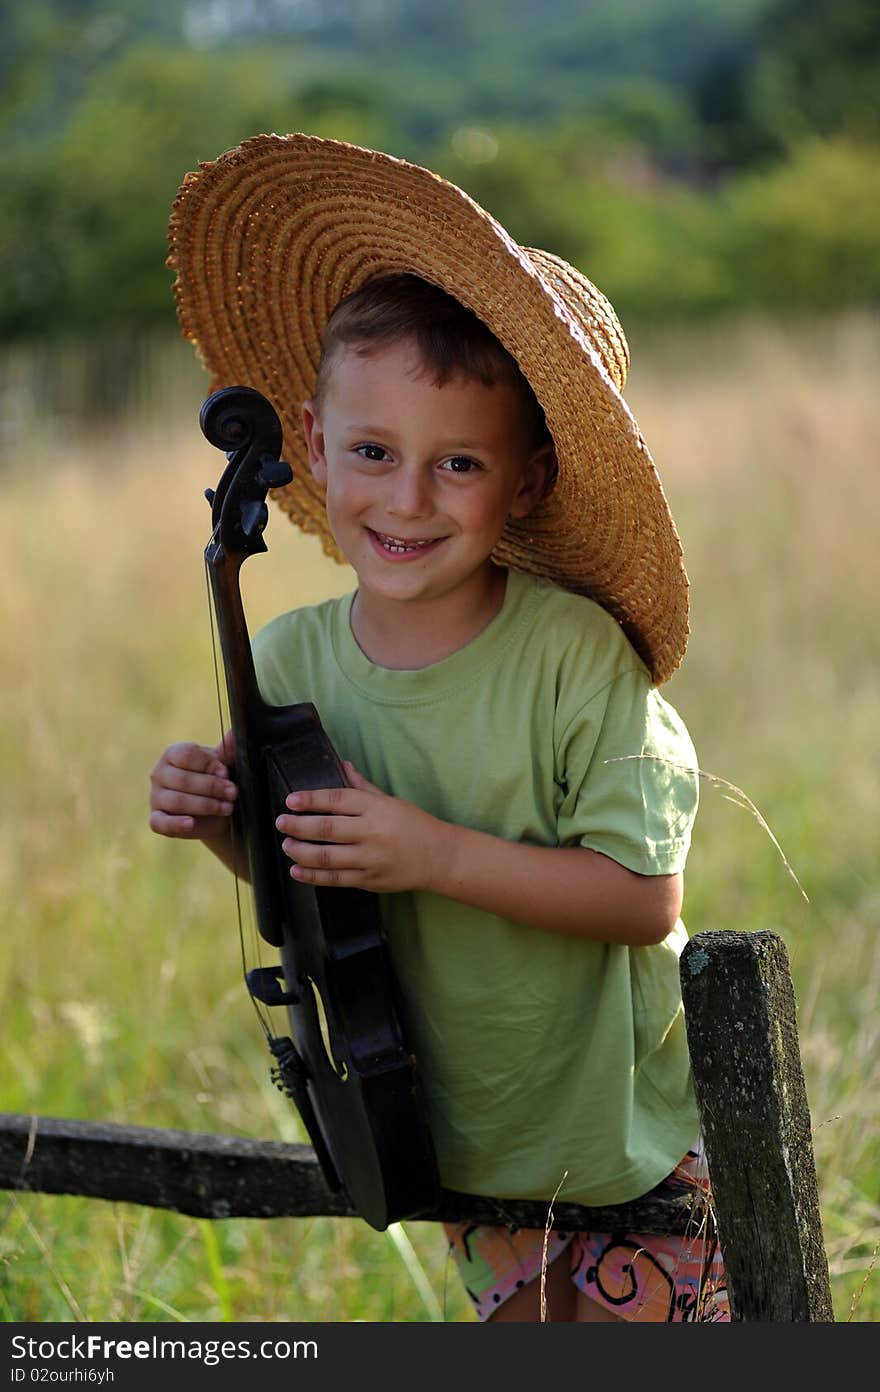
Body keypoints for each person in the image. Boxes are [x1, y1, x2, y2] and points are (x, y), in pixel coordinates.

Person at [151, 133, 728, 1323]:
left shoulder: (573, 656)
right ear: (310, 447)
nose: (405, 499)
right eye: (372, 452)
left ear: (524, 482)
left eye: (456, 463)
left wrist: (434, 854)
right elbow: (314, 896)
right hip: (445, 1123)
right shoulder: (291, 657)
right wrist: (222, 827)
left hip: (617, 1133)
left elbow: (642, 900)